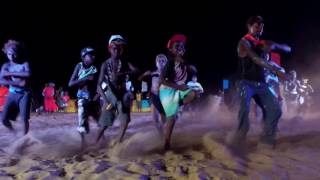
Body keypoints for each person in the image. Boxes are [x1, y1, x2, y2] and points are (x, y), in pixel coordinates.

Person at [229, 16, 291, 149]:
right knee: (244, 110)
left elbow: (282, 47)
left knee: (275, 110)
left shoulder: (262, 43)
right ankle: (238, 140)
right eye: (257, 26)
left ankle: (266, 141)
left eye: (262, 27)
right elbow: (256, 59)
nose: (260, 29)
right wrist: (276, 71)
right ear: (249, 26)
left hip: (261, 84)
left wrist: (280, 46)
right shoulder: (243, 42)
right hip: (244, 82)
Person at [96, 35, 139, 144]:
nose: (117, 50)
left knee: (124, 121)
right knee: (104, 123)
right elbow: (99, 84)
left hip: (123, 94)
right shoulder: (105, 64)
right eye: (115, 48)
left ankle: (118, 142)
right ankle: (95, 143)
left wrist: (122, 73)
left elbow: (136, 71)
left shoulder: (124, 62)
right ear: (109, 49)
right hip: (110, 95)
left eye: (120, 48)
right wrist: (106, 100)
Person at [159, 34, 197, 150]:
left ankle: (176, 105)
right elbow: (161, 80)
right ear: (171, 50)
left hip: (177, 90)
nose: (180, 48)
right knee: (172, 119)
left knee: (194, 94)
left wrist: (191, 69)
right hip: (167, 91)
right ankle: (166, 144)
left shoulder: (183, 62)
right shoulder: (170, 62)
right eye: (177, 46)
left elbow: (191, 72)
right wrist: (178, 87)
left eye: (182, 46)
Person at [0, 39, 32, 135]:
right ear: (6, 53)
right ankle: (13, 133)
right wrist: (17, 83)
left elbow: (28, 74)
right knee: (4, 119)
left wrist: (10, 73)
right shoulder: (6, 65)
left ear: (19, 52)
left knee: (24, 119)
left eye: (14, 53)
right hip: (12, 93)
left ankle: (24, 138)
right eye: (9, 54)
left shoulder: (24, 63)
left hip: (25, 94)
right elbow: (1, 80)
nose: (12, 56)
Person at [68, 47, 100, 136]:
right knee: (82, 124)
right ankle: (83, 144)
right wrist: (85, 79)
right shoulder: (79, 66)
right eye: (90, 55)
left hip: (92, 99)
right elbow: (70, 83)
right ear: (83, 57)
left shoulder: (94, 69)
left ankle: (102, 140)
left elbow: (97, 83)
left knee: (100, 122)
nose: (93, 56)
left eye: (93, 55)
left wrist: (98, 94)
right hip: (82, 99)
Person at [138, 53, 168, 134]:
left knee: (164, 120)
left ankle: (165, 134)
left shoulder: (168, 74)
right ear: (156, 63)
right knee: (155, 119)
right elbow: (140, 79)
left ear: (166, 63)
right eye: (159, 61)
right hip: (154, 96)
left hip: (165, 98)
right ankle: (161, 135)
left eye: (163, 61)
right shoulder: (152, 73)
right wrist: (144, 74)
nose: (161, 63)